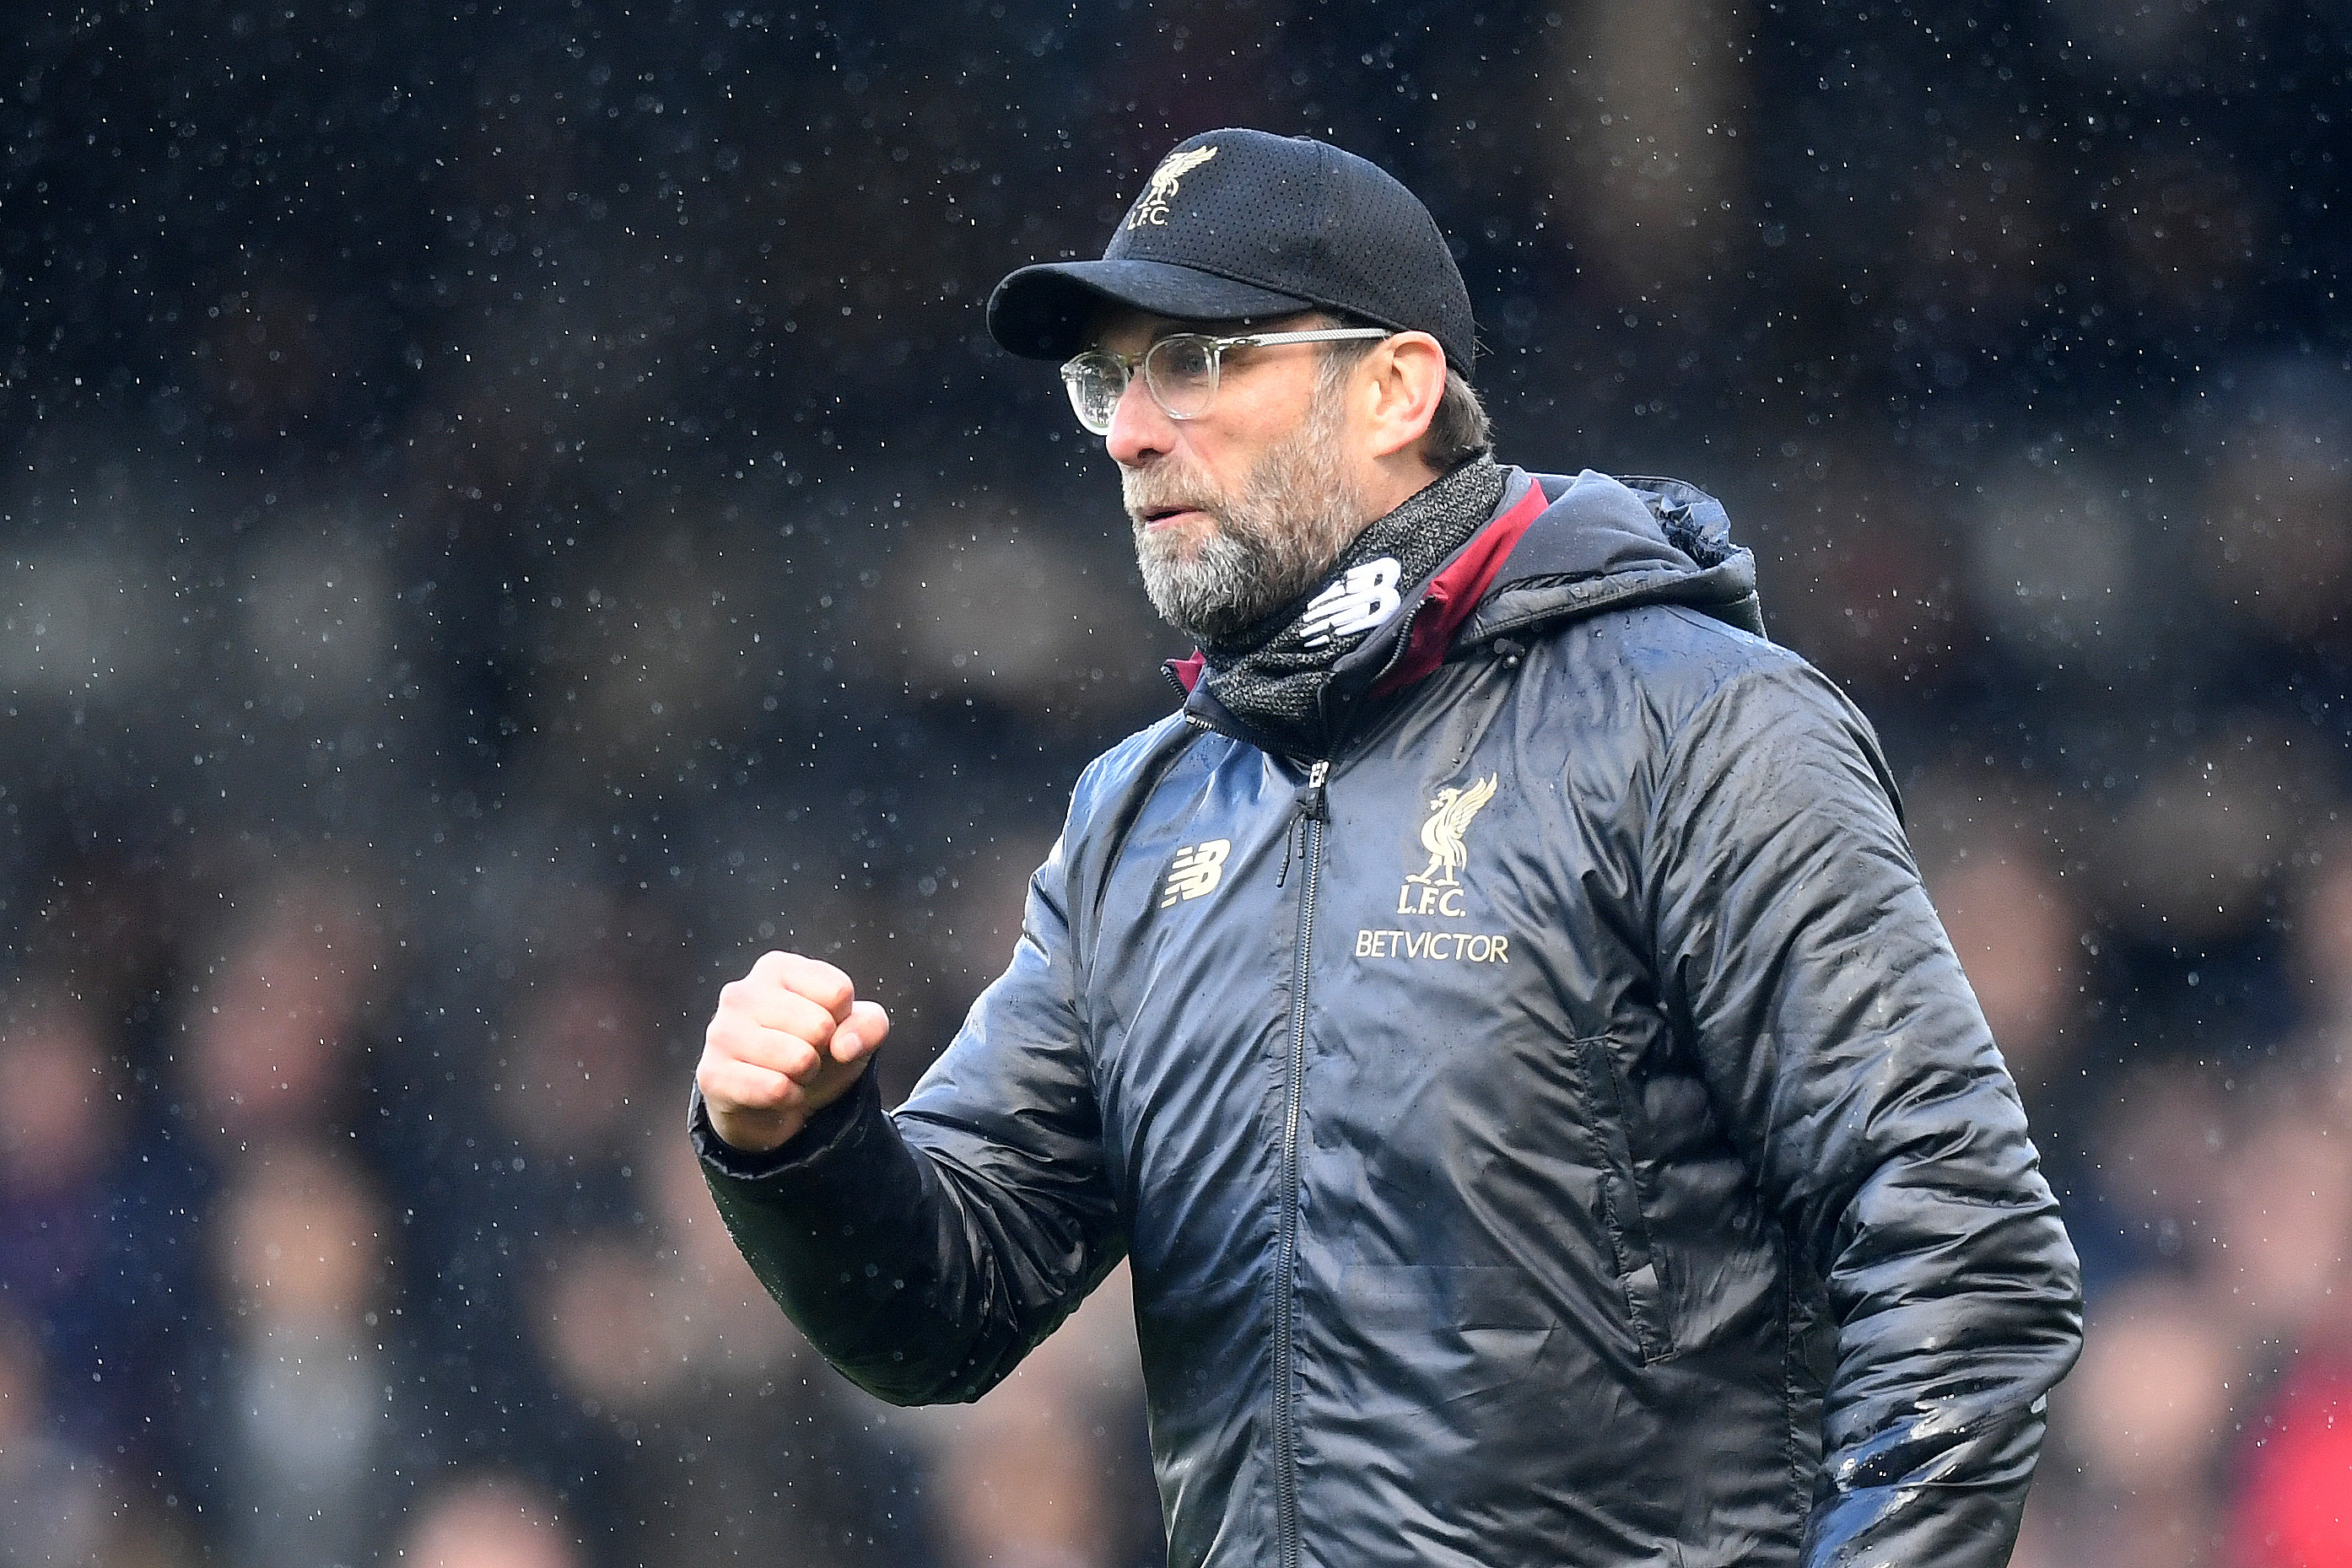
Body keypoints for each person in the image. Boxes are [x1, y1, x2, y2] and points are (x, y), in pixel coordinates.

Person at [691, 127, 2083, 1568]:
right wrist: (803, 1153)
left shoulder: (1699, 727)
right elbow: (946, 1312)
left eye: (1195, 361)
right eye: (1107, 379)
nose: (1127, 431)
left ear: (1399, 387)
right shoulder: (1142, 816)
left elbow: (1964, 1254)